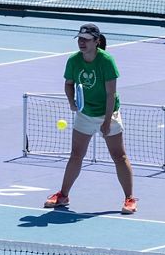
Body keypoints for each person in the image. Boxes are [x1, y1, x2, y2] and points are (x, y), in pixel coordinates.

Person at [44, 24, 137, 215]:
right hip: (85, 113)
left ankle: (129, 198)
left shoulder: (106, 61)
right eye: (80, 38)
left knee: (119, 156)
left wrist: (106, 121)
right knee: (76, 155)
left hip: (108, 113)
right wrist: (72, 102)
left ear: (96, 41)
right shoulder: (73, 61)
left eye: (86, 39)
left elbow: (111, 94)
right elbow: (69, 84)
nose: (81, 42)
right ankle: (63, 195)